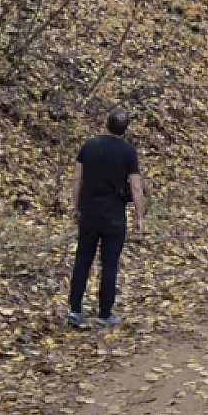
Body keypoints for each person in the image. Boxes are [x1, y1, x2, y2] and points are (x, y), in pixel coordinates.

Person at [67, 108, 145, 329]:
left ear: (105, 123)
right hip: (114, 216)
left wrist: (76, 207)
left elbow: (76, 179)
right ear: (125, 130)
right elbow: (136, 187)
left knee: (83, 259)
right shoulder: (128, 152)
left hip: (89, 213)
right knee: (109, 264)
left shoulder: (89, 146)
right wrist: (139, 217)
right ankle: (104, 314)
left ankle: (75, 310)